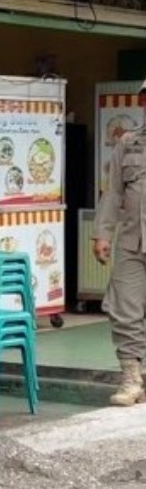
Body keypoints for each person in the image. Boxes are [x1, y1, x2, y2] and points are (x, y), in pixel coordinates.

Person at [94, 79, 146, 405]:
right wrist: (102, 233)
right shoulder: (128, 143)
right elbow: (113, 192)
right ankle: (131, 378)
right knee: (125, 310)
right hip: (131, 242)